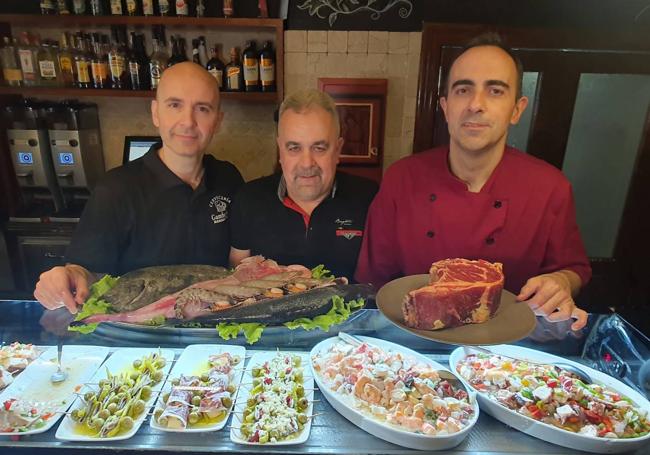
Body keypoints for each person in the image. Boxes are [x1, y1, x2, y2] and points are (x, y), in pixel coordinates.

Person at [355, 34, 592, 330]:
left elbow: (573, 270)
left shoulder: (550, 188)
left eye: (495, 90)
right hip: (414, 346)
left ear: (517, 109)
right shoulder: (402, 179)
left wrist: (561, 282)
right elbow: (373, 281)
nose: (475, 104)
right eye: (463, 89)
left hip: (509, 352)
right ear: (445, 106)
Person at [34, 62, 244, 314]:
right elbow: (84, 270)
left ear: (218, 120)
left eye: (202, 108)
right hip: (142, 336)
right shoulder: (115, 188)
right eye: (174, 105)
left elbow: (238, 262)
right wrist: (65, 278)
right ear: (156, 112)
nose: (188, 121)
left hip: (214, 329)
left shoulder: (228, 178)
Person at [229, 89, 378, 280]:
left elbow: (378, 282)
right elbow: (237, 276)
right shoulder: (248, 199)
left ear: (338, 150)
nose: (307, 163)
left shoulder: (369, 198)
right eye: (294, 148)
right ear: (280, 151)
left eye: (319, 148)